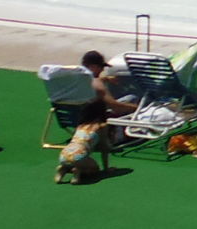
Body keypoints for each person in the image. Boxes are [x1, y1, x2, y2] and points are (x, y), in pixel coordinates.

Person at [55, 50, 139, 185]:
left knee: (77, 155)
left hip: (67, 150)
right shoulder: (98, 89)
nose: (102, 70)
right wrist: (137, 108)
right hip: (85, 147)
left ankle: (65, 168)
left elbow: (94, 83)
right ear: (93, 67)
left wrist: (104, 79)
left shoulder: (75, 80)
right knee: (94, 168)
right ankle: (78, 171)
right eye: (101, 67)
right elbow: (115, 106)